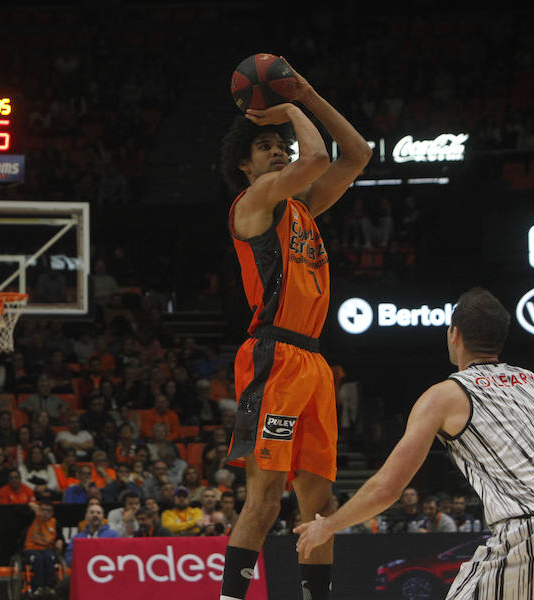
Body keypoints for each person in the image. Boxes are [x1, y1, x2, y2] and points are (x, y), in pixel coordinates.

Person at [295, 288, 534, 599]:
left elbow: (386, 489)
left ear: (454, 334)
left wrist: (329, 526)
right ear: (500, 339)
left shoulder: (445, 396)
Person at [218, 58, 371, 600]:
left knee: (321, 507)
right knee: (262, 500)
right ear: (245, 164)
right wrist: (286, 107)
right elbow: (318, 156)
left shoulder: (303, 205)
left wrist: (307, 93)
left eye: (281, 143)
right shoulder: (252, 204)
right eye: (266, 146)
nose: (279, 150)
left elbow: (357, 155)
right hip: (274, 356)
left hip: (313, 362)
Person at [23, 501, 63, 596]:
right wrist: (29, 506)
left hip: (47, 549)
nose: (45, 513)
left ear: (52, 513)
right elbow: (19, 513)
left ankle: (49, 587)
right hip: (31, 548)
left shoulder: (55, 523)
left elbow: (60, 537)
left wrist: (60, 541)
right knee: (38, 559)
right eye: (43, 510)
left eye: (48, 511)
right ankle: (38, 587)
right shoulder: (31, 518)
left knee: (49, 558)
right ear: (39, 510)